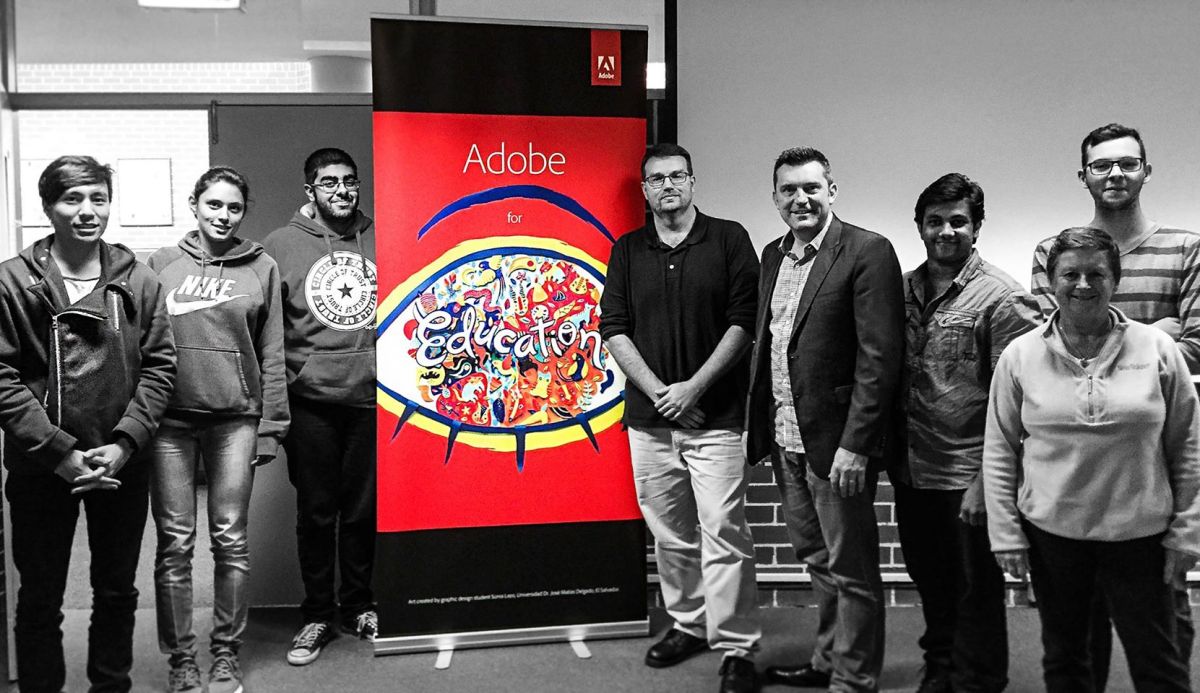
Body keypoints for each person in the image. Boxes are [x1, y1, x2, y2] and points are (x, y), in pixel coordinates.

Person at [987, 227, 1200, 692]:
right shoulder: (1020, 356)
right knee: (1068, 663)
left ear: (1114, 280)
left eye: (1096, 274)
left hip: (1142, 539)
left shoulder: (1158, 349)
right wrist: (1005, 535)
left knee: (1161, 665)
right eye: (1070, 274)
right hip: (1054, 539)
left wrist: (1188, 531)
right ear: (1052, 281)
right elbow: (1000, 449)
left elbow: (1188, 446)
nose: (1083, 284)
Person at [1030, 123, 1200, 689]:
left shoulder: (1187, 249)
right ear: (1083, 176)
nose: (1115, 174)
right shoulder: (1053, 252)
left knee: (1163, 633)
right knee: (1079, 635)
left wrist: (1139, 348)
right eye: (1101, 165)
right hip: (1074, 477)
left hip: (1153, 468)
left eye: (1128, 163)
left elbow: (1198, 346)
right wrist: (1158, 334)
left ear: (1147, 171)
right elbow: (1049, 351)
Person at [0, 155, 176, 693]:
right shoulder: (13, 281)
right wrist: (57, 451)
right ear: (48, 206)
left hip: (121, 464)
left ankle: (111, 686)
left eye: (98, 198)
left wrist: (125, 443)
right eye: (72, 198)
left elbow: (161, 368)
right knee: (40, 597)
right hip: (41, 465)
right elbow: (2, 377)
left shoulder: (139, 280)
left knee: (118, 591)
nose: (87, 211)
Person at [599, 143, 761, 693]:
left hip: (716, 420)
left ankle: (737, 646)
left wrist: (693, 390)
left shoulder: (730, 239)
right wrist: (661, 394)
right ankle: (690, 624)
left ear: (692, 182)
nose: (667, 185)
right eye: (656, 179)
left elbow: (744, 322)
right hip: (650, 423)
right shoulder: (627, 250)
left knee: (725, 532)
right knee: (671, 536)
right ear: (645, 190)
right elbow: (613, 328)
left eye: (677, 176)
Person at [747, 147, 904, 692]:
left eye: (811, 187)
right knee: (816, 559)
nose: (801, 199)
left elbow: (880, 359)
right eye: (789, 190)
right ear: (775, 198)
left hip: (837, 447)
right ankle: (827, 661)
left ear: (831, 191)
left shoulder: (866, 250)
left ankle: (854, 680)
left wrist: (856, 445)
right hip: (786, 439)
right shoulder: (773, 255)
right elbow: (774, 344)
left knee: (852, 569)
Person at [894, 173, 1041, 693]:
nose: (946, 231)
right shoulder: (901, 289)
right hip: (913, 468)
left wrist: (987, 482)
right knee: (930, 578)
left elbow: (1020, 403)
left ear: (977, 227)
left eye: (958, 221)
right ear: (920, 226)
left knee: (974, 588)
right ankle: (941, 666)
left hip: (968, 474)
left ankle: (979, 679)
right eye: (935, 221)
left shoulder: (1004, 297)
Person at [147, 166, 289, 693]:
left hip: (235, 420)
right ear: (194, 204)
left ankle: (226, 652)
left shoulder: (262, 267)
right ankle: (182, 659)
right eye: (214, 205)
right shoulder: (161, 264)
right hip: (170, 422)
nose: (223, 216)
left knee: (230, 539)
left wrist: (272, 425)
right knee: (175, 542)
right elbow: (143, 348)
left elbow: (273, 352)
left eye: (234, 207)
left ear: (243, 211)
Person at [262, 147, 378, 666]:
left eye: (349, 180)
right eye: (329, 182)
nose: (342, 190)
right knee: (316, 512)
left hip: (371, 399)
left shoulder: (381, 237)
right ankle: (316, 615)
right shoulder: (279, 245)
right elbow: (268, 332)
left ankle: (359, 606)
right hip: (309, 402)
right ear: (309, 190)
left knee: (362, 511)